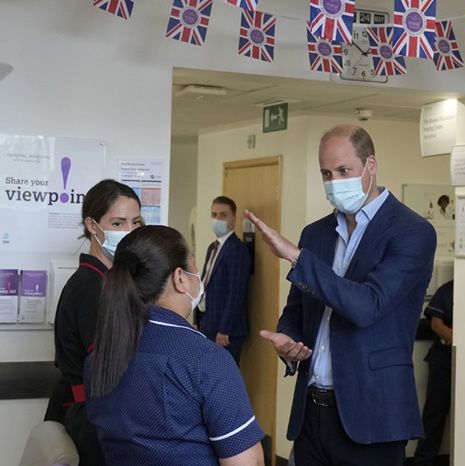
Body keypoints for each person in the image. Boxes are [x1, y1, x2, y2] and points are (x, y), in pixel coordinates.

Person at [244, 125, 437, 466]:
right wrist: (288, 341)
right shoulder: (316, 233)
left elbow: (367, 306)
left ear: (371, 165)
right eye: (326, 173)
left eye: (344, 170)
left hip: (373, 416)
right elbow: (298, 308)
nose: (334, 182)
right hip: (311, 413)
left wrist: (295, 256)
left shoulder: (413, 232)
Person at [85, 225, 264, 466]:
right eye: (194, 266)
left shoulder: (98, 358)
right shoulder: (207, 360)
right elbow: (246, 463)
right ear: (180, 278)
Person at [45, 179, 143, 466]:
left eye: (135, 222)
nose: (129, 231)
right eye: (118, 223)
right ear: (92, 225)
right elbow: (110, 366)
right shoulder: (90, 287)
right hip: (91, 418)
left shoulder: (111, 282)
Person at [195, 196, 252, 364]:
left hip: (226, 331)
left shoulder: (237, 250)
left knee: (223, 378)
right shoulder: (212, 248)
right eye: (214, 215)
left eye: (223, 215)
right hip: (208, 324)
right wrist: (198, 320)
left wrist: (224, 329)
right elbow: (205, 284)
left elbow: (236, 292)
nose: (217, 219)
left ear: (233, 219)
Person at [413, 279, 454, 466]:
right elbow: (436, 325)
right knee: (434, 414)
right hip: (443, 361)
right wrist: (458, 339)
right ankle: (424, 461)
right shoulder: (447, 290)